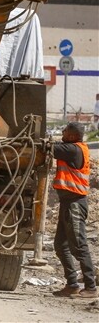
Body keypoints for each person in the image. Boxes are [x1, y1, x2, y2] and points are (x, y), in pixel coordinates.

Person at [51, 122, 96, 299]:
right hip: (67, 203)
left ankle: (91, 287)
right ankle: (72, 284)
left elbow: (51, 148)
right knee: (61, 246)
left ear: (71, 136)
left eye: (65, 130)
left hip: (75, 204)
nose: (62, 132)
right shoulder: (71, 148)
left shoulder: (73, 149)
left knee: (78, 246)